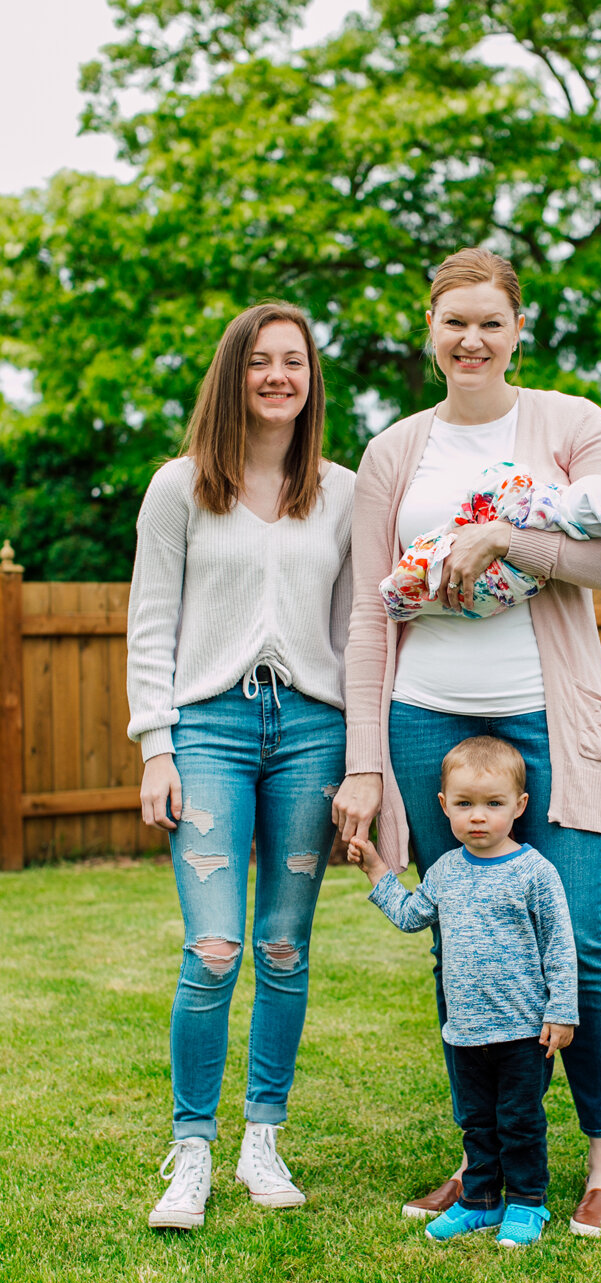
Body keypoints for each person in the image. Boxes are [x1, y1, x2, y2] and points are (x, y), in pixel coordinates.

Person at [333, 247, 601, 1238]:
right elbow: (368, 613)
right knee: (461, 945)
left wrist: (505, 538)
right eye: (454, 321)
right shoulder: (394, 452)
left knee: (577, 937)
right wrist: (365, 759)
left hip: (548, 720)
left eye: (490, 322)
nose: (471, 340)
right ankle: (487, 1162)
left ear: (518, 331)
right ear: (430, 329)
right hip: (425, 718)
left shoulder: (572, 424)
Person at [127, 301, 354, 1231]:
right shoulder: (178, 487)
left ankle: (264, 1135)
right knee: (214, 948)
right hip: (209, 729)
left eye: (293, 361)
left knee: (284, 946)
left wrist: (363, 762)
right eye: (260, 360)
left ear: (311, 379)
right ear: (234, 373)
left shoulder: (341, 492)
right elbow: (152, 619)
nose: (276, 376)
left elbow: (355, 631)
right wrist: (156, 744)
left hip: (311, 731)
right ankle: (192, 1148)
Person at [349, 736, 578, 1248]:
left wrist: (562, 1011)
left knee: (519, 1122)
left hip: (524, 1031)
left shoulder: (534, 872)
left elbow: (560, 945)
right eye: (464, 804)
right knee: (476, 1122)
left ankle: (527, 1203)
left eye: (493, 804)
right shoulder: (445, 871)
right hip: (466, 1031)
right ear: (444, 805)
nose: (478, 816)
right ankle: (480, 1201)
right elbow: (411, 916)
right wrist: (377, 871)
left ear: (519, 805)